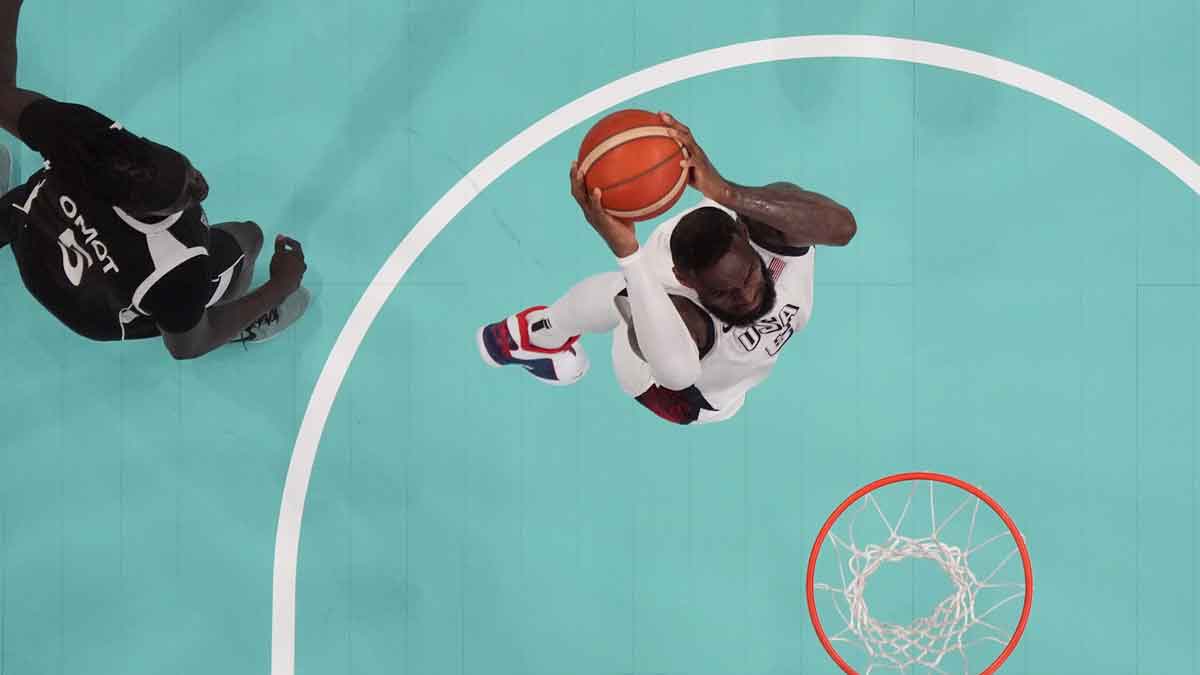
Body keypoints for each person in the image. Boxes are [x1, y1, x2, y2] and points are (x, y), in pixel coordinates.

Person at [478, 113, 856, 425]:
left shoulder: (771, 231)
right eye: (724, 292)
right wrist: (627, 253)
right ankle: (536, 335)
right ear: (685, 281)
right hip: (679, 397)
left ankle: (551, 330)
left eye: (748, 276)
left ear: (744, 233)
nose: (746, 295)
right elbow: (678, 375)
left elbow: (843, 228)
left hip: (729, 380)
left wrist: (727, 192)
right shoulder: (687, 319)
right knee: (621, 293)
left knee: (773, 212)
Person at [0, 0, 309, 358]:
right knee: (247, 238)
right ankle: (250, 316)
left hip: (30, 233)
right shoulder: (179, 259)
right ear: (156, 212)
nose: (199, 185)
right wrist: (279, 285)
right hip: (90, 311)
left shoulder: (84, 137)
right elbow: (188, 346)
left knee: (24, 204)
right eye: (187, 193)